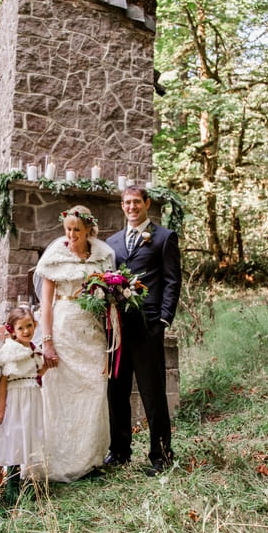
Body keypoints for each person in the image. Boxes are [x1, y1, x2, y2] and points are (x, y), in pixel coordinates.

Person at [35, 205, 115, 482]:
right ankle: (59, 460)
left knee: (94, 390)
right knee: (62, 395)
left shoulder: (103, 257)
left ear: (88, 230)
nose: (70, 235)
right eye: (67, 230)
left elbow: (109, 300)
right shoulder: (55, 257)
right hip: (63, 330)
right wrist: (47, 342)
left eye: (76, 231)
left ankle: (89, 460)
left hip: (92, 334)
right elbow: (45, 304)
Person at [106, 186, 181, 475]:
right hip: (117, 328)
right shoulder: (111, 243)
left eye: (137, 201)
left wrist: (163, 319)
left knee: (153, 393)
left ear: (146, 204)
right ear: (122, 206)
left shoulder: (164, 238)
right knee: (116, 392)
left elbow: (172, 281)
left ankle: (161, 456)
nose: (132, 207)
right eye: (127, 202)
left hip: (149, 326)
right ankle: (120, 452)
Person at [0, 306, 46, 504]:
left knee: (23, 439)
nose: (26, 331)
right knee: (8, 438)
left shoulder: (32, 349)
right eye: (21, 328)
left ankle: (15, 487)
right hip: (15, 399)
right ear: (12, 330)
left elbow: (34, 374)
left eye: (29, 326)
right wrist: (0, 407)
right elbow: (1, 381)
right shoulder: (10, 351)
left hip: (30, 398)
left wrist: (47, 368)